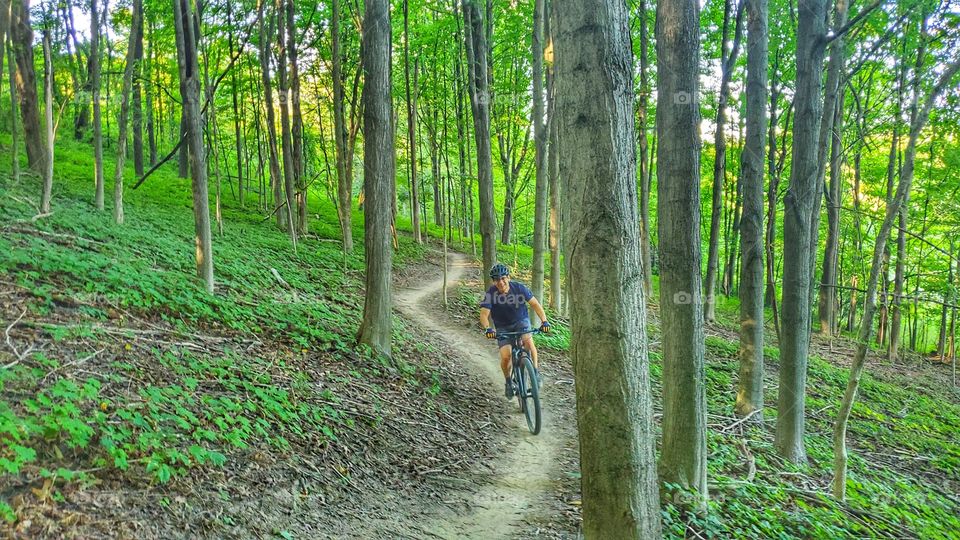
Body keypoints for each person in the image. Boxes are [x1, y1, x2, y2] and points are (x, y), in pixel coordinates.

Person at [479, 263, 551, 398]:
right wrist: (488, 328)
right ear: (493, 281)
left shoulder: (519, 288)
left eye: (503, 278)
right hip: (502, 327)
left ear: (508, 278)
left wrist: (544, 321)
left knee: (529, 344)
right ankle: (508, 382)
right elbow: (484, 314)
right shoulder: (490, 293)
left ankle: (535, 373)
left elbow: (535, 304)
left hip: (521, 321)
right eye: (496, 279)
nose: (500, 282)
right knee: (506, 357)